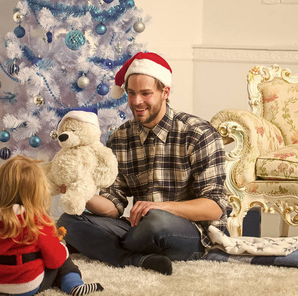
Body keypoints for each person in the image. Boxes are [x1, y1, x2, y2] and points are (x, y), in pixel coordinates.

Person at [57, 52, 229, 276]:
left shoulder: (199, 134)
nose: (136, 102)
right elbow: (113, 206)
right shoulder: (119, 138)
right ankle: (137, 260)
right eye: (131, 93)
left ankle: (107, 247)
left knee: (155, 222)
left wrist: (160, 207)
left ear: (165, 92)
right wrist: (80, 192)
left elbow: (215, 207)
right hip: (140, 228)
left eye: (146, 93)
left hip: (191, 232)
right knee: (68, 221)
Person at [0, 155, 103, 296]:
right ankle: (74, 285)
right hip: (24, 286)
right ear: (36, 191)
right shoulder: (35, 219)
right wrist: (58, 248)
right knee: (62, 257)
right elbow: (54, 260)